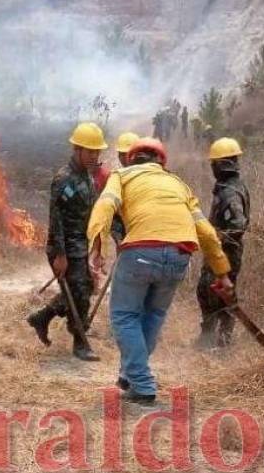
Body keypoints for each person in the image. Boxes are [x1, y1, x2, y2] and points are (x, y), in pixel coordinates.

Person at [86, 138, 233, 405]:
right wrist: (222, 271)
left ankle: (142, 383)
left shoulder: (122, 175)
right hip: (179, 255)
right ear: (161, 162)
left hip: (141, 250)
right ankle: (130, 375)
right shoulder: (179, 184)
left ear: (131, 159)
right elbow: (207, 233)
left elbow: (105, 207)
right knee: (153, 314)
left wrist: (97, 247)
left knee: (124, 315)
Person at [27, 122, 107, 361]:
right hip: (63, 247)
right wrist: (60, 255)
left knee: (82, 288)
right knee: (79, 293)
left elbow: (93, 213)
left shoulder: (88, 178)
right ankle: (80, 343)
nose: (94, 156)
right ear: (77, 150)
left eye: (97, 151)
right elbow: (56, 218)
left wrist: (97, 246)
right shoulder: (64, 179)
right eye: (90, 151)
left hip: (80, 246)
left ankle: (42, 317)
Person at [196, 137, 251, 350]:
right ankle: (211, 340)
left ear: (220, 164)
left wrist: (217, 237)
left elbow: (237, 225)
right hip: (222, 251)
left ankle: (221, 342)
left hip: (226, 252)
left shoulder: (230, 191)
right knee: (209, 292)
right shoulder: (229, 186)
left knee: (215, 294)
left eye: (213, 164)